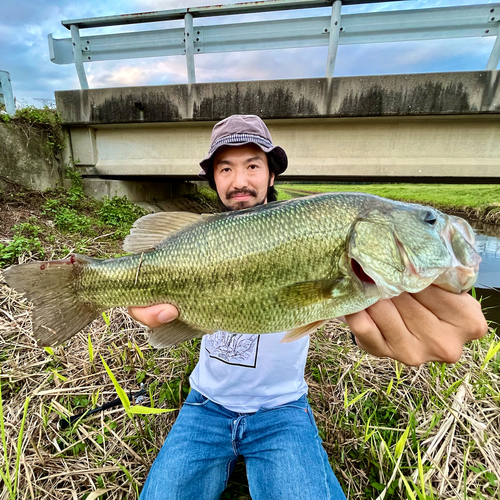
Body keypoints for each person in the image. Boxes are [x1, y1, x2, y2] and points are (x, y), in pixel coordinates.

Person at [133, 115, 488, 499]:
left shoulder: (332, 242)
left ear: (271, 175)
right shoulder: (198, 240)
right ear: (214, 179)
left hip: (281, 412)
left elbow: (347, 315)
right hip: (204, 405)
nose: (239, 181)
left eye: (252, 165)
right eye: (225, 168)